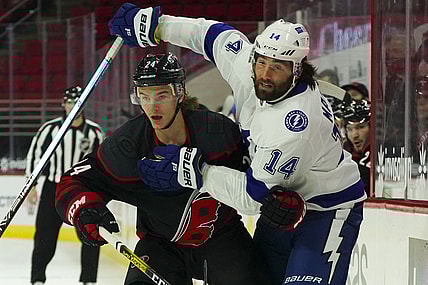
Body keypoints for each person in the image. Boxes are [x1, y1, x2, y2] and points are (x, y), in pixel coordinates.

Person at [109, 4, 367, 284]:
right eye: (262, 62)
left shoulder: (294, 124)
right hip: (279, 205)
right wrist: (158, 26)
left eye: (277, 68)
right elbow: (212, 35)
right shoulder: (249, 66)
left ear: (297, 70)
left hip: (325, 209)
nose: (265, 75)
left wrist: (196, 171)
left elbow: (251, 198)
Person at [55, 53, 271, 285]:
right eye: (144, 96)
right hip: (161, 244)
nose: (153, 106)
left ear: (180, 93)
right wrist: (84, 209)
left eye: (162, 95)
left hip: (221, 237)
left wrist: (280, 196)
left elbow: (258, 177)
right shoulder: (128, 145)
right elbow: (73, 181)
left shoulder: (218, 133)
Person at [25, 86, 105, 285]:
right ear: (63, 104)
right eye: (69, 102)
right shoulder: (49, 129)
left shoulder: (94, 132)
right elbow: (35, 157)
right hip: (53, 188)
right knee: (44, 235)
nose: (73, 106)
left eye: (77, 102)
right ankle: (37, 280)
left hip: (82, 189)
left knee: (90, 233)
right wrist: (32, 186)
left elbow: (102, 163)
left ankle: (89, 280)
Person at [342, 100, 371, 196]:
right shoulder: (343, 155)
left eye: (361, 127)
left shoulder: (384, 153)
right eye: (349, 129)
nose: (354, 135)